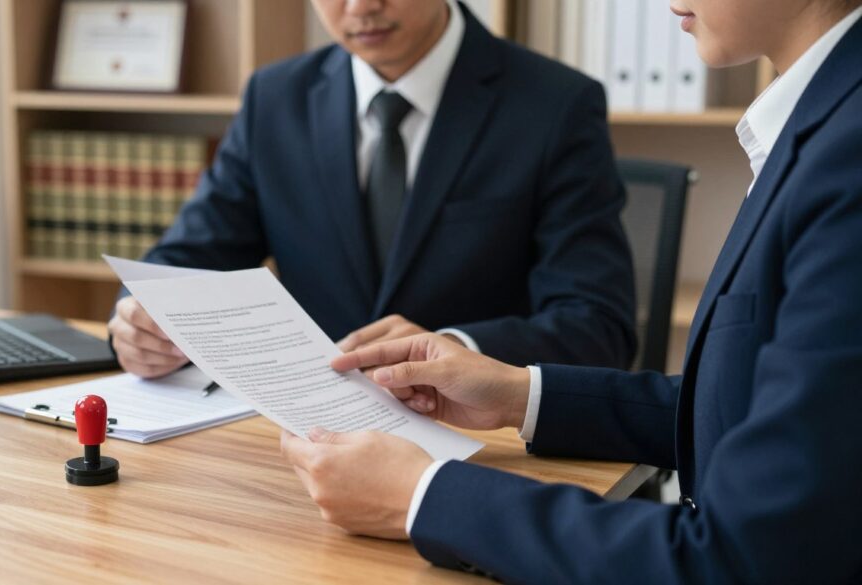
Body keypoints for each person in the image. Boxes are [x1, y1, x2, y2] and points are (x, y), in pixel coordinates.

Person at [280, 0, 862, 582]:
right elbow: (748, 409)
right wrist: (519, 396)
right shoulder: (823, 119)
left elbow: (744, 560)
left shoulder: (847, 157)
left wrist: (421, 495)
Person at [108, 0, 636, 379]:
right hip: (304, 433)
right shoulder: (275, 97)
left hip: (476, 443)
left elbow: (597, 327)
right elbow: (188, 259)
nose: (360, 7)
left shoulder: (555, 105)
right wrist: (141, 320)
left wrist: (453, 351)